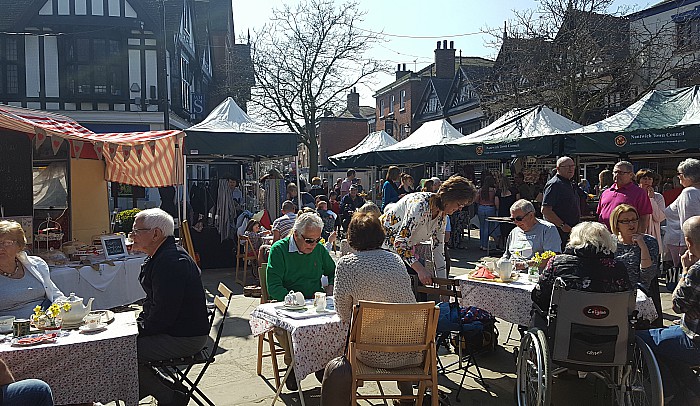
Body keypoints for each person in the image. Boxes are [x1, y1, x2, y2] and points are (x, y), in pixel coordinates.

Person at [333, 212, 418, 402]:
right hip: (411, 349)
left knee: (351, 335)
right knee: (397, 326)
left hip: (370, 353)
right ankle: (407, 398)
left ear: (352, 237)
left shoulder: (347, 264)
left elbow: (343, 312)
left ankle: (349, 394)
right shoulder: (395, 260)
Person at [130, 208, 209, 406]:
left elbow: (163, 316)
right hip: (178, 330)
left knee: (121, 352)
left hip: (185, 337)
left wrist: (137, 331)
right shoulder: (163, 256)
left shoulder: (171, 262)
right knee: (120, 346)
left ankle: (169, 397)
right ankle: (171, 390)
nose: (132, 236)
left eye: (137, 231)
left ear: (156, 234)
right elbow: (158, 308)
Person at [265, 211, 336, 390]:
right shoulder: (279, 249)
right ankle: (293, 368)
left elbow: (335, 271)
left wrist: (331, 287)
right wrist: (295, 301)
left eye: (317, 240)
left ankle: (325, 365)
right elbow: (273, 287)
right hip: (288, 304)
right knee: (287, 330)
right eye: (309, 240)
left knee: (336, 324)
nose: (313, 245)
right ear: (296, 234)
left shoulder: (318, 249)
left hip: (316, 303)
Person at [637, 215, 700, 405]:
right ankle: (691, 391)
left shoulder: (696, 270)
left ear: (688, 242)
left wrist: (685, 270)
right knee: (666, 341)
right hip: (687, 331)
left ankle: (671, 392)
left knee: (640, 339)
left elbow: (677, 305)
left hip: (694, 340)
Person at [381, 176, 476, 288]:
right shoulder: (420, 206)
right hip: (379, 248)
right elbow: (400, 244)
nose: (460, 208)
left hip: (395, 253)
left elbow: (438, 252)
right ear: (450, 198)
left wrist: (443, 288)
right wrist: (421, 270)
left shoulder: (442, 217)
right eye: (459, 204)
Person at [531, 221, 632, 313]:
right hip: (609, 328)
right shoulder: (618, 268)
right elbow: (627, 300)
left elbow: (538, 296)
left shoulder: (557, 263)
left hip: (564, 327)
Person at [610, 203, 662, 328]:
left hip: (642, 295)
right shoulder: (610, 243)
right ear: (617, 224)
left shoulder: (650, 242)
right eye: (626, 221)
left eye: (634, 220)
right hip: (616, 295)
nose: (631, 224)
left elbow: (647, 277)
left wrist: (642, 246)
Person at [0, 220, 64, 318]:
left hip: (44, 324)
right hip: (8, 330)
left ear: (19, 246)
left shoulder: (36, 265)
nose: (1, 247)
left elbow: (56, 296)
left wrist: (65, 307)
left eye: (7, 243)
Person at [664, 158, 700, 281]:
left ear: (688, 176)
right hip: (687, 245)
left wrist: (687, 249)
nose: (678, 177)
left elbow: (689, 224)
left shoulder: (689, 192)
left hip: (686, 248)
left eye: (679, 174)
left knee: (685, 288)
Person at [499, 199, 561, 265]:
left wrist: (525, 265)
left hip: (534, 273)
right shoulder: (514, 232)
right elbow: (506, 256)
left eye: (519, 219)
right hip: (512, 272)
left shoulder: (547, 229)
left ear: (531, 215)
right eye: (512, 219)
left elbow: (552, 259)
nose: (516, 222)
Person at [597, 161, 653, 232]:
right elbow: (600, 214)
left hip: (625, 238)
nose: (616, 175)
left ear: (630, 175)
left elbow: (644, 217)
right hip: (605, 236)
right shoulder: (606, 192)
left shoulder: (639, 193)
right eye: (615, 172)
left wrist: (638, 236)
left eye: (620, 173)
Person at [542, 156, 581, 248]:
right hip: (559, 232)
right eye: (567, 166)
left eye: (572, 166)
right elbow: (546, 210)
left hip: (571, 230)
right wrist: (562, 225)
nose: (571, 169)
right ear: (558, 168)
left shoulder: (569, 183)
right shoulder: (554, 184)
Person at [636, 168, 666, 248]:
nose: (647, 181)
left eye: (650, 179)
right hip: (638, 233)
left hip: (653, 235)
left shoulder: (658, 197)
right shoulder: (634, 196)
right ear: (639, 180)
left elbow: (659, 218)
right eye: (644, 178)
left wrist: (651, 199)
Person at [475, 176, 498, 251]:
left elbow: (476, 200)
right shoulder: (494, 190)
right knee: (488, 227)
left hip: (481, 208)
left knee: (482, 227)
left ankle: (482, 244)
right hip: (490, 208)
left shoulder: (480, 190)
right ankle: (486, 245)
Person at [495, 175, 519, 248]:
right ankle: (513, 245)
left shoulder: (498, 193)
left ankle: (504, 246)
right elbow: (518, 202)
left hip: (502, 213)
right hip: (513, 213)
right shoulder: (515, 191)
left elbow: (497, 205)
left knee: (503, 231)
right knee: (513, 230)